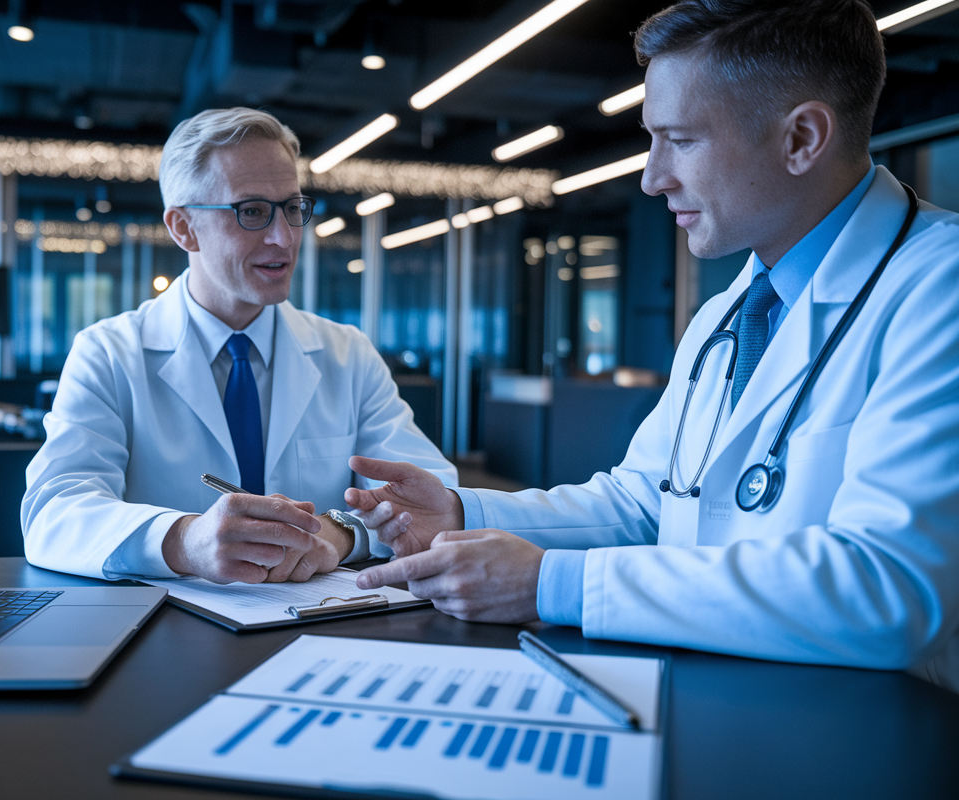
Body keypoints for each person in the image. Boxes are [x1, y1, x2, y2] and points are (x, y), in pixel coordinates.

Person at [347, 0, 959, 691]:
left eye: (682, 140)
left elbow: (888, 589)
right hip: (715, 700)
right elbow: (648, 505)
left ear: (802, 138)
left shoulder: (941, 289)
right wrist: (465, 513)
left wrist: (556, 585)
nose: (651, 176)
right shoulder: (728, 313)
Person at [22, 107, 456, 585]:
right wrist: (184, 541)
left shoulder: (348, 354)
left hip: (322, 627)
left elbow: (433, 497)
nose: (284, 237)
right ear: (183, 228)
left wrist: (338, 533)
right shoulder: (108, 353)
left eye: (292, 208)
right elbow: (53, 513)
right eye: (251, 211)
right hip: (167, 641)